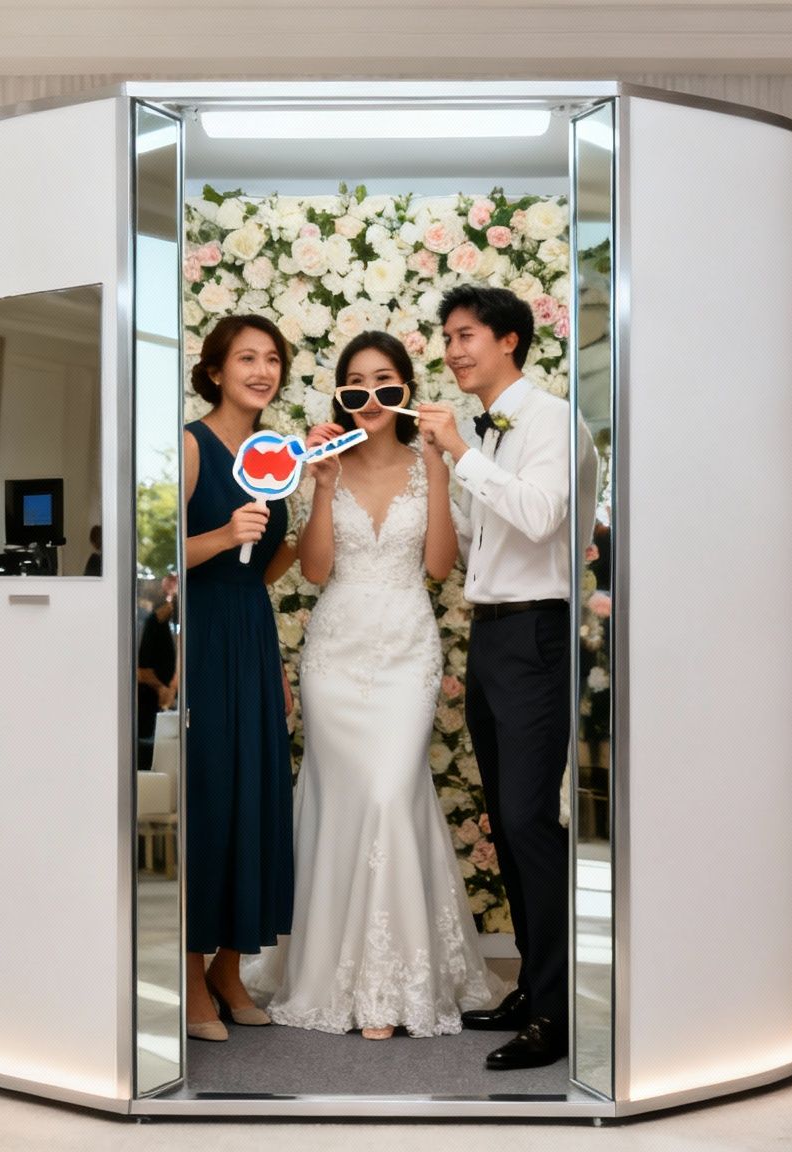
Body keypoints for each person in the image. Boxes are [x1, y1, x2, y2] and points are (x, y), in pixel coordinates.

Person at [251, 332, 500, 1041]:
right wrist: (322, 489)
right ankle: (336, 979)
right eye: (356, 386)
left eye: (385, 385)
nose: (370, 398)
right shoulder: (323, 468)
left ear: (404, 393)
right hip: (336, 656)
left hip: (406, 652)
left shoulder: (428, 465)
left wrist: (443, 473)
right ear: (342, 395)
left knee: (393, 793)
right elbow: (318, 571)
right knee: (347, 802)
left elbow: (440, 567)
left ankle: (397, 982)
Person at [414, 284, 594, 1072]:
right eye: (448, 337)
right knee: (507, 823)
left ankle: (554, 1013)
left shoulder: (551, 418)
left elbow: (540, 514)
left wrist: (460, 452)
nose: (453, 351)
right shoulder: (488, 430)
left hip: (535, 635)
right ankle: (531, 985)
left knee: (528, 824)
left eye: (467, 336)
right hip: (491, 637)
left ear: (510, 341)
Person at [180, 315, 298, 1043]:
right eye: (246, 357)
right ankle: (190, 981)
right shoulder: (191, 446)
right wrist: (225, 534)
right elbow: (156, 559)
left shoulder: (272, 454)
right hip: (202, 637)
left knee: (255, 798)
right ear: (217, 369)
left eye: (273, 358)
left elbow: (270, 566)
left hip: (252, 636)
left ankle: (230, 968)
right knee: (210, 800)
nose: (261, 369)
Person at [136, 574, 178, 772]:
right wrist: (163, 688)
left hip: (159, 703)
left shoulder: (165, 627)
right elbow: (142, 671)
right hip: (149, 704)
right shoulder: (153, 624)